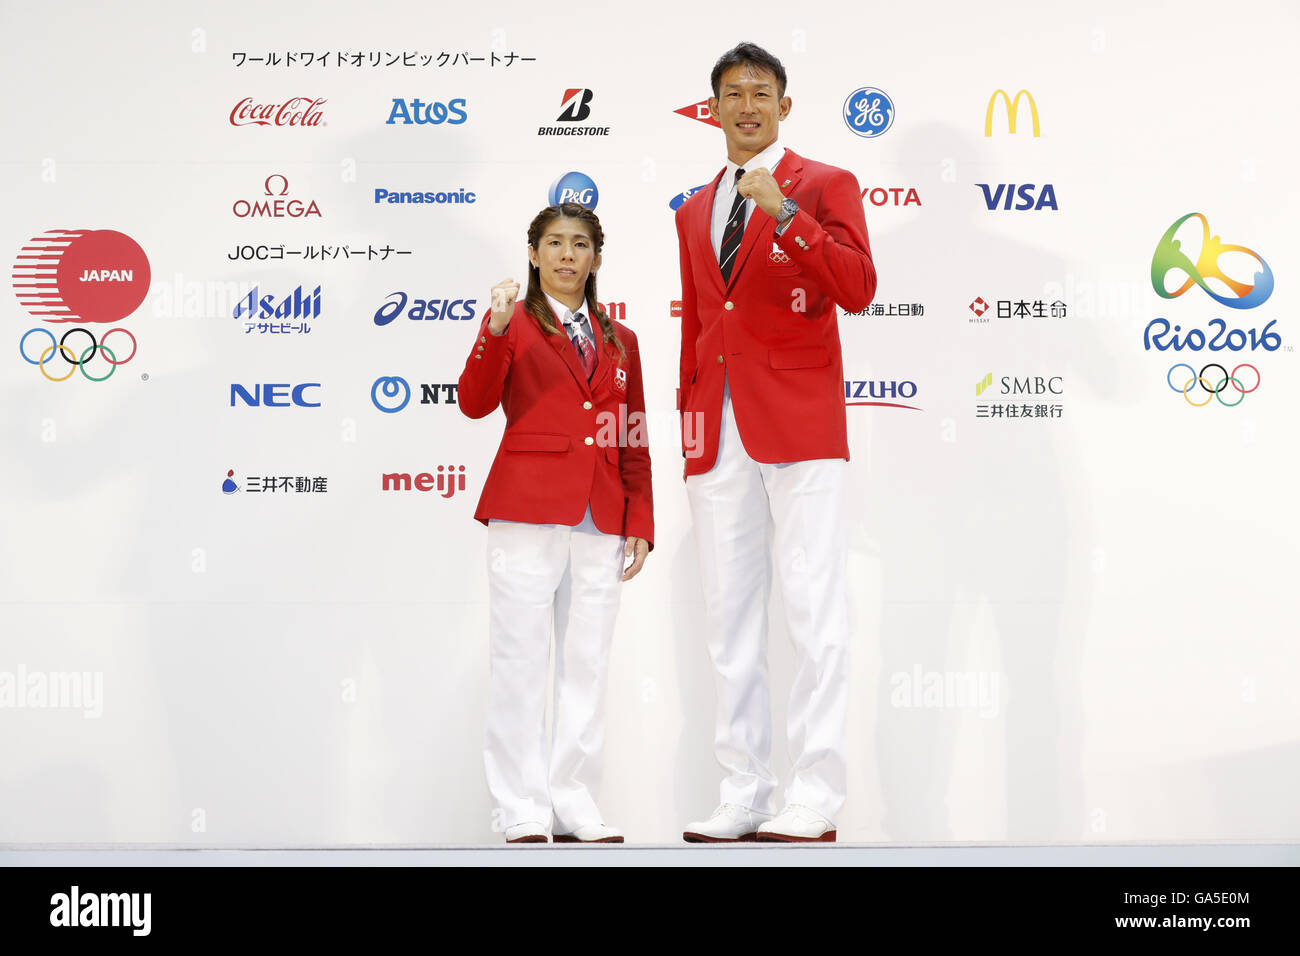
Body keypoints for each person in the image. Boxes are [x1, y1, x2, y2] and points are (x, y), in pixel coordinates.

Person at [675, 42, 876, 842]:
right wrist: (692, 422)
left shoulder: (824, 185)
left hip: (800, 421)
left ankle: (816, 795)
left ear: (785, 106)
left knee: (813, 609)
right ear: (712, 108)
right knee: (728, 616)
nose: (747, 106)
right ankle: (745, 788)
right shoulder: (694, 208)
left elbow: (857, 289)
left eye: (762, 93)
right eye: (733, 94)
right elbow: (697, 322)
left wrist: (785, 215)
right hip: (716, 428)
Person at [458, 202, 653, 844]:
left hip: (601, 517)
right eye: (554, 243)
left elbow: (632, 437)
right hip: (526, 509)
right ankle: (520, 804)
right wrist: (493, 325)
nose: (567, 255)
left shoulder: (622, 340)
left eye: (580, 244)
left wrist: (640, 519)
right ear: (534, 254)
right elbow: (475, 401)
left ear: (597, 257)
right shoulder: (512, 324)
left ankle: (573, 800)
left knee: (587, 662)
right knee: (519, 659)